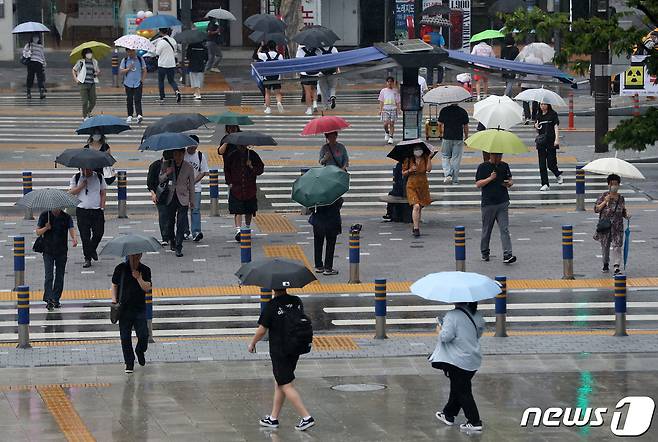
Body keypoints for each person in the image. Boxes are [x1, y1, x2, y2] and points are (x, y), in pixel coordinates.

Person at [248, 288, 316, 431]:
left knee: (286, 384)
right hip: (295, 348)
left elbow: (262, 330)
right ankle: (273, 418)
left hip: (280, 350)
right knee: (281, 381)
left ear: (273, 288)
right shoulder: (296, 300)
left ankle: (306, 417)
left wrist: (252, 343)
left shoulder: (272, 305)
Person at [430, 302, 486, 433]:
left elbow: (445, 337)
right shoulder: (477, 315)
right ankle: (448, 414)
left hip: (458, 360)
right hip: (473, 358)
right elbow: (479, 332)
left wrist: (439, 329)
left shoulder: (452, 315)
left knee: (463, 392)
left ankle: (474, 421)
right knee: (458, 387)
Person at [112, 253, 152, 374]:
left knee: (143, 335)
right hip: (124, 309)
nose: (135, 258)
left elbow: (147, 287)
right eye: (133, 256)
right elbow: (114, 285)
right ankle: (129, 362)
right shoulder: (120, 269)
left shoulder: (145, 270)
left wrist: (139, 278)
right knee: (125, 337)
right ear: (128, 256)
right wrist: (114, 300)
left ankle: (140, 350)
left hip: (139, 308)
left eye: (138, 256)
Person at [475, 153, 516, 264]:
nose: (498, 158)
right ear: (490, 155)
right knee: (487, 229)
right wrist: (490, 178)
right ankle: (485, 251)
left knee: (504, 229)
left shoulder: (504, 165)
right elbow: (478, 184)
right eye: (496, 155)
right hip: (488, 203)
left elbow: (510, 179)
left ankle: (508, 254)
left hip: (502, 201)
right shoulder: (483, 167)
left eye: (500, 155)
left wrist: (509, 183)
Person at [35, 208, 77, 310]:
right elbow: (37, 232)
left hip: (61, 250)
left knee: (60, 276)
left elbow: (71, 228)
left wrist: (74, 238)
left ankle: (56, 299)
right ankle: (49, 299)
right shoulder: (45, 215)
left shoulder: (66, 217)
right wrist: (46, 228)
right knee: (49, 276)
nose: (56, 209)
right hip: (48, 250)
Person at [225, 144, 265, 242]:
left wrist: (251, 165)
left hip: (249, 187)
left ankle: (247, 228)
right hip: (236, 187)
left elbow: (260, 169)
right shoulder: (232, 155)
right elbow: (226, 169)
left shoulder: (252, 155)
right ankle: (238, 231)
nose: (241, 147)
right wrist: (229, 182)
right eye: (239, 145)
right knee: (237, 210)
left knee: (249, 210)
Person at [69, 168, 106, 268]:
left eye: (88, 168)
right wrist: (81, 186)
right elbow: (71, 192)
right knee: (85, 237)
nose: (86, 171)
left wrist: (102, 207)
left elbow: (103, 193)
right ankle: (87, 258)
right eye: (83, 168)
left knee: (99, 233)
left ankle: (92, 250)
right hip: (82, 211)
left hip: (97, 210)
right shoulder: (76, 177)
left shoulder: (99, 177)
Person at [161, 148, 196, 257]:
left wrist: (192, 200)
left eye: (180, 155)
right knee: (170, 222)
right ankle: (172, 240)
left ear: (183, 154)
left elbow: (191, 185)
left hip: (183, 197)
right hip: (170, 197)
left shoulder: (188, 167)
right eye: (175, 154)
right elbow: (160, 179)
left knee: (181, 222)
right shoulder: (167, 164)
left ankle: (179, 246)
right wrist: (167, 174)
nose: (177, 157)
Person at [594, 174, 630, 275]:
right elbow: (596, 209)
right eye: (612, 184)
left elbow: (622, 210)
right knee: (605, 247)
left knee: (617, 246)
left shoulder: (621, 198)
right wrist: (605, 201)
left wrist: (626, 215)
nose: (614, 186)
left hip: (617, 227)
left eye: (616, 184)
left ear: (619, 185)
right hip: (605, 226)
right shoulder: (603, 196)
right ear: (608, 185)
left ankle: (616, 266)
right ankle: (605, 263)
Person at [184, 135, 209, 242]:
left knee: (195, 210)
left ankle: (196, 232)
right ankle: (185, 231)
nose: (192, 148)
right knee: (182, 210)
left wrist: (193, 182)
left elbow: (203, 172)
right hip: (182, 188)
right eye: (190, 146)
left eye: (194, 146)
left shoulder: (200, 156)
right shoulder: (182, 154)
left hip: (196, 188)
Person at [402, 147, 432, 237]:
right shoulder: (408, 159)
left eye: (419, 149)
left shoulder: (425, 158)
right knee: (416, 206)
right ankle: (416, 228)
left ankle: (416, 224)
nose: (418, 151)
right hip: (411, 185)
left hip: (423, 185)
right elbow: (403, 172)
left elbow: (429, 169)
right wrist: (410, 170)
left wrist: (429, 158)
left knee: (420, 206)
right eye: (416, 149)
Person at [147, 150, 175, 246]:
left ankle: (171, 235)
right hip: (160, 194)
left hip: (172, 193)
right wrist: (153, 193)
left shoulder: (175, 165)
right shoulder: (155, 165)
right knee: (163, 215)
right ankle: (165, 237)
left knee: (171, 216)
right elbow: (150, 182)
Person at [310, 197, 343, 275]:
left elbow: (311, 207)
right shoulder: (334, 192)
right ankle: (328, 267)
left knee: (318, 243)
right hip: (331, 221)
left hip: (318, 220)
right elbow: (339, 204)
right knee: (330, 244)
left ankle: (318, 265)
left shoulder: (315, 193)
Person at [438, 103, 470, 184]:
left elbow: (439, 124)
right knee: (456, 158)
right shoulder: (463, 111)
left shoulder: (444, 110)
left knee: (445, 156)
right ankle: (455, 179)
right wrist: (466, 136)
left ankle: (448, 173)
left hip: (447, 137)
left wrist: (441, 132)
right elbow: (465, 126)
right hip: (458, 138)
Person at [535, 102, 563, 191]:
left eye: (544, 104)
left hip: (551, 141)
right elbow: (538, 130)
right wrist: (536, 126)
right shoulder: (538, 115)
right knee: (542, 164)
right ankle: (545, 184)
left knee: (551, 163)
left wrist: (557, 140)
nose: (542, 106)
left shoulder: (553, 114)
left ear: (548, 105)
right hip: (541, 142)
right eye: (541, 104)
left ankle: (557, 174)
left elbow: (556, 127)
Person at [255, 40, 284, 114]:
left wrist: (261, 46)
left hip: (267, 77)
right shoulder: (279, 56)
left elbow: (257, 54)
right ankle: (279, 102)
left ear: (268, 47)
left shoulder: (264, 55)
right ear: (275, 47)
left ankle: (268, 108)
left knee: (267, 93)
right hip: (276, 77)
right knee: (278, 93)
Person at [72, 48, 100, 120]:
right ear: (84, 54)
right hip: (83, 83)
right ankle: (85, 116)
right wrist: (76, 79)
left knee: (93, 101)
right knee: (84, 101)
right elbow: (74, 70)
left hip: (92, 83)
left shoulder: (94, 62)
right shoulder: (81, 62)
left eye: (90, 52)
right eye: (87, 53)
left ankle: (88, 112)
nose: (89, 54)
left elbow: (97, 71)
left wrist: (97, 72)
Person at [119, 48, 146, 123]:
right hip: (128, 83)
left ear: (135, 51)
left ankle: (139, 115)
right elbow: (121, 71)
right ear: (127, 52)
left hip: (138, 82)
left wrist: (142, 80)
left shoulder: (140, 59)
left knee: (138, 99)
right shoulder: (124, 60)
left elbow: (144, 70)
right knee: (129, 99)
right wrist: (128, 68)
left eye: (132, 51)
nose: (131, 53)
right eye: (129, 51)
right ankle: (130, 115)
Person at [155, 28, 182, 103]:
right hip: (171, 64)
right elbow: (175, 51)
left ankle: (162, 97)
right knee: (171, 80)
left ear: (160, 32)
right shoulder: (173, 40)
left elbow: (157, 53)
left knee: (161, 81)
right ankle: (177, 91)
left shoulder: (160, 41)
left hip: (162, 64)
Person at [296, 45, 320, 115]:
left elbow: (297, 61)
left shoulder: (300, 50)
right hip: (315, 73)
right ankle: (315, 104)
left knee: (307, 92)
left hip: (304, 73)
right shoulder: (317, 49)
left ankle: (309, 109)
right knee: (314, 89)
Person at [23, 33, 47, 99]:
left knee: (40, 78)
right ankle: (28, 93)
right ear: (32, 38)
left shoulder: (40, 46)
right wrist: (29, 53)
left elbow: (42, 55)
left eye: (37, 37)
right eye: (34, 37)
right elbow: (24, 53)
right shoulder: (28, 45)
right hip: (31, 63)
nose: (36, 38)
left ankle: (41, 93)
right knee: (30, 77)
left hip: (39, 63)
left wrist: (44, 62)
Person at [379, 76, 401, 145]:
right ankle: (387, 132)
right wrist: (380, 109)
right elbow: (381, 101)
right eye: (388, 82)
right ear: (386, 83)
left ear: (393, 82)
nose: (390, 83)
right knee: (385, 123)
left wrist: (398, 109)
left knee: (392, 123)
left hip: (393, 109)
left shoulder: (395, 91)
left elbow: (397, 101)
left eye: (391, 82)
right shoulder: (383, 91)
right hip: (385, 109)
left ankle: (391, 137)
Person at [317, 45, 339, 110]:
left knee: (323, 90)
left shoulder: (318, 50)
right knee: (333, 87)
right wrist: (337, 70)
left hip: (321, 72)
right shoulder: (334, 49)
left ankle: (325, 106)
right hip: (332, 71)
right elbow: (337, 60)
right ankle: (332, 96)